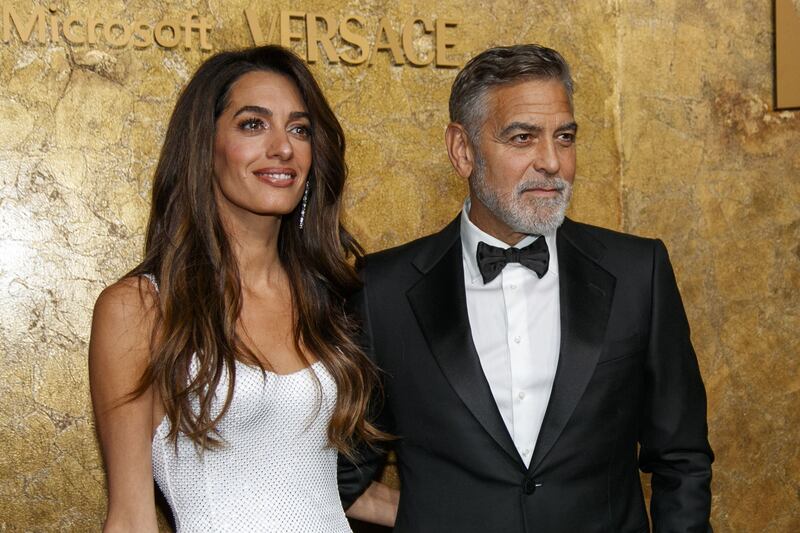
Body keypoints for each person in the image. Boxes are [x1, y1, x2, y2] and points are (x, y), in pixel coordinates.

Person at [338, 44, 713, 532]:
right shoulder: (382, 289)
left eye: (565, 137)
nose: (552, 162)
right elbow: (342, 472)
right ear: (462, 150)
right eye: (523, 138)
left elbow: (681, 458)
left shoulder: (639, 272)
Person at [89, 45, 397, 532]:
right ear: (204, 145)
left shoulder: (332, 300)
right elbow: (130, 518)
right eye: (253, 124)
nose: (283, 148)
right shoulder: (140, 308)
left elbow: (315, 481)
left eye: (299, 129)